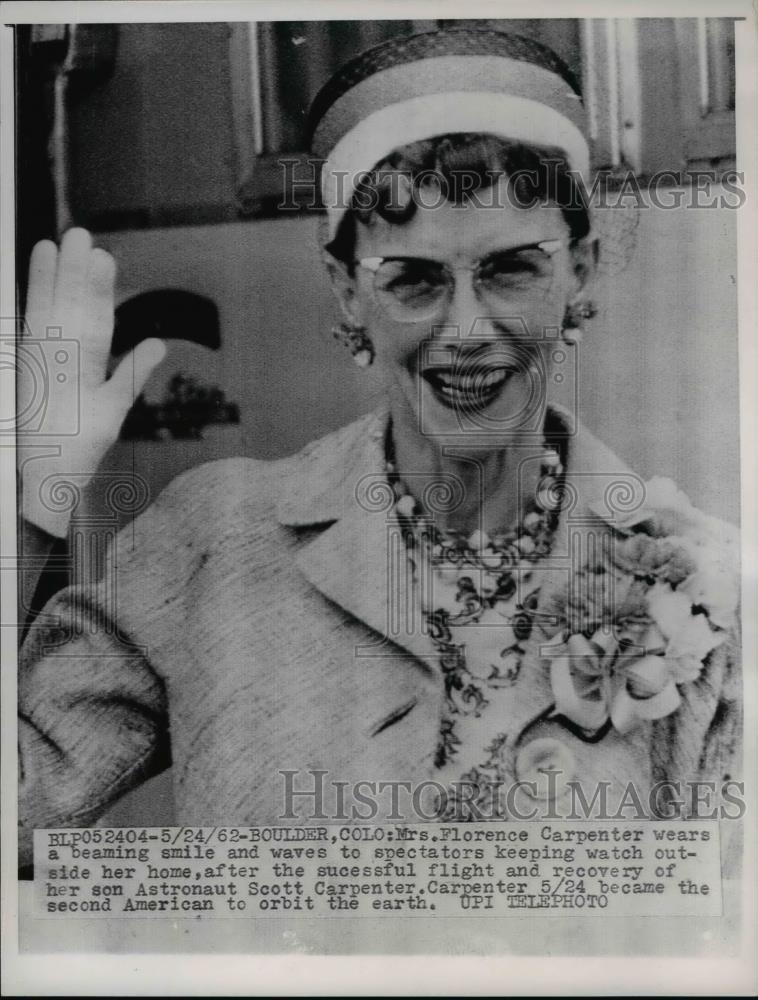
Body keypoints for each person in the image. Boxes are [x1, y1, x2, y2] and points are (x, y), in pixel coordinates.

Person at [17, 26, 741, 863]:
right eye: (414, 279)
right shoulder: (216, 540)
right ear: (347, 292)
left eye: (511, 269)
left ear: (580, 270)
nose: (466, 330)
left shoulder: (704, 585)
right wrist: (27, 497)